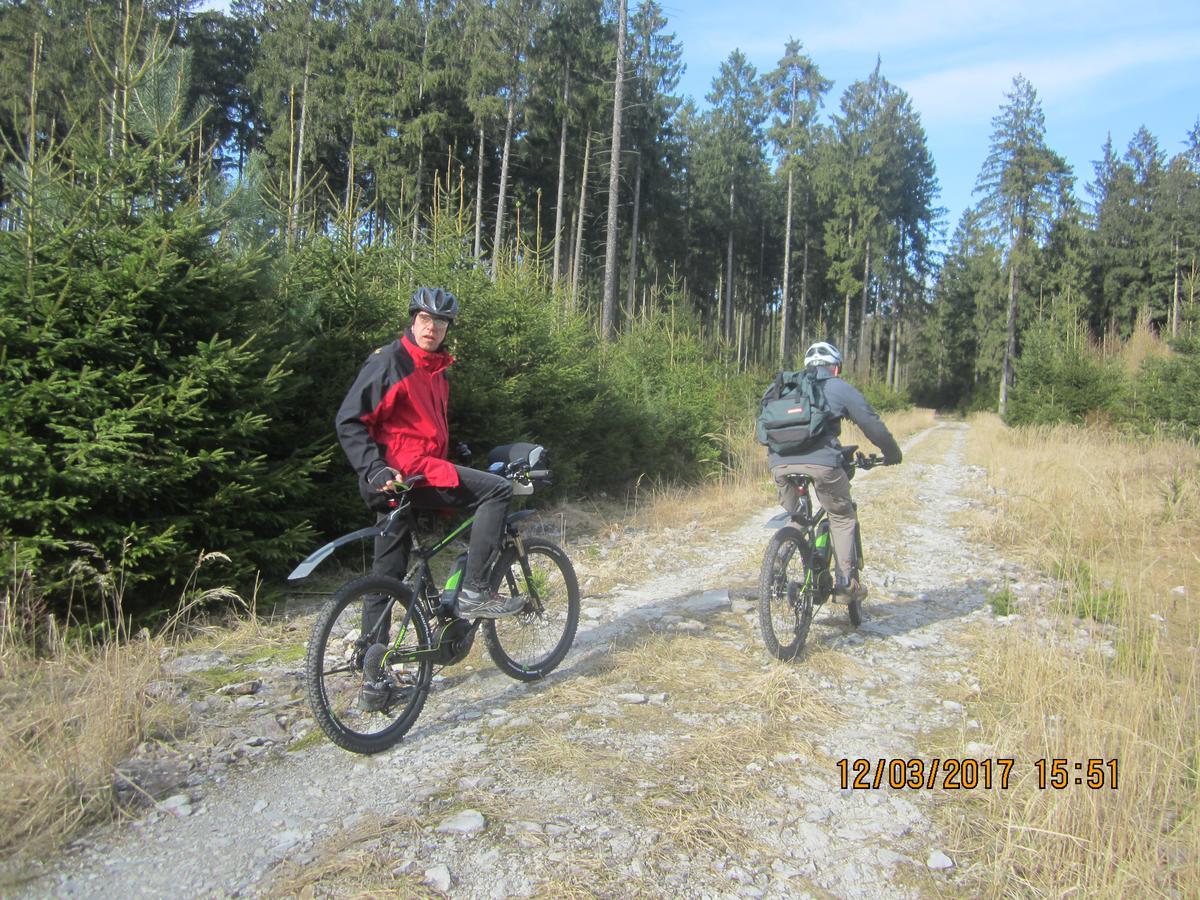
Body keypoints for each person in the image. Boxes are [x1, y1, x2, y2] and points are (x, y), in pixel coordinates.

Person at [335, 286, 523, 622]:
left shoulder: (436, 370)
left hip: (413, 474)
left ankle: (371, 661)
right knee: (498, 490)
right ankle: (475, 591)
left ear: (448, 328)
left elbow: (414, 429)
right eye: (425, 319)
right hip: (402, 477)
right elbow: (349, 421)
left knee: (387, 576)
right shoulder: (391, 362)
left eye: (440, 322)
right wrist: (374, 468)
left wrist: (453, 450)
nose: (431, 328)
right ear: (413, 320)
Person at [765, 341, 902, 603]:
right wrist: (892, 453)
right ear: (835, 368)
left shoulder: (784, 387)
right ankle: (844, 583)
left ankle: (777, 563)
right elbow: (871, 424)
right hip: (823, 465)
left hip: (779, 465)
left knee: (797, 516)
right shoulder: (839, 387)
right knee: (840, 515)